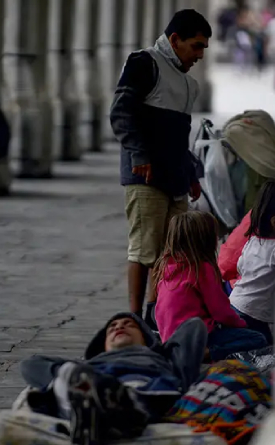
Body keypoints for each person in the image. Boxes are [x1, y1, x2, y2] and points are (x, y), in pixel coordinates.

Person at [110, 9, 212, 323]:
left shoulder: (188, 84)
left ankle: (157, 316)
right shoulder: (144, 63)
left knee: (172, 252)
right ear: (175, 40)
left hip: (175, 178)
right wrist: (139, 156)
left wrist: (191, 173)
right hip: (145, 177)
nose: (199, 55)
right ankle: (135, 315)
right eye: (195, 46)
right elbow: (121, 114)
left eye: (203, 49)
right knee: (144, 250)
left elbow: (178, 136)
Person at [21, 313, 207, 444]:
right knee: (68, 377)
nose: (119, 327)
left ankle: (111, 410)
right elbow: (31, 365)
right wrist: (71, 371)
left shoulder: (162, 360)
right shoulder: (89, 365)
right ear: (103, 345)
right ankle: (96, 408)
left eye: (129, 325)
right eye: (112, 327)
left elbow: (193, 326)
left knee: (126, 396)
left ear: (146, 338)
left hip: (143, 390)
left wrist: (162, 349)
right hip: (89, 385)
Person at [152, 211, 267, 361]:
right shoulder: (202, 268)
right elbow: (221, 312)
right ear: (205, 240)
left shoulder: (166, 266)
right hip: (197, 337)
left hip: (170, 338)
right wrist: (241, 324)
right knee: (258, 338)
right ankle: (208, 353)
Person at [229, 180, 275, 345]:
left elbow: (240, 266)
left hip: (234, 304)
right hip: (252, 316)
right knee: (264, 348)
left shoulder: (252, 240)